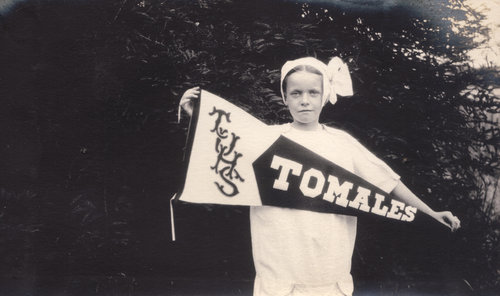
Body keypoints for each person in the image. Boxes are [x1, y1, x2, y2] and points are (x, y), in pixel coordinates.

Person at [179, 57, 461, 296]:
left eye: (313, 93)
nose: (304, 101)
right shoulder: (264, 139)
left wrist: (430, 212)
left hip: (329, 274)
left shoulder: (342, 142)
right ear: (285, 96)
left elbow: (388, 182)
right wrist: (196, 119)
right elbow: (218, 149)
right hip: (279, 276)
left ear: (324, 95)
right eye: (296, 93)